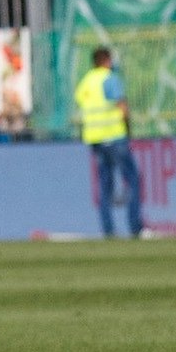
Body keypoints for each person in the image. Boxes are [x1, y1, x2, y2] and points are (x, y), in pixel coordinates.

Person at [75, 47, 143, 239]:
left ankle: (108, 230)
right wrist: (128, 128)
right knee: (132, 179)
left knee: (105, 186)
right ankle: (135, 227)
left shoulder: (86, 82)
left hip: (95, 139)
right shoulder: (109, 79)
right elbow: (122, 106)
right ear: (106, 60)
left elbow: (82, 104)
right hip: (114, 136)